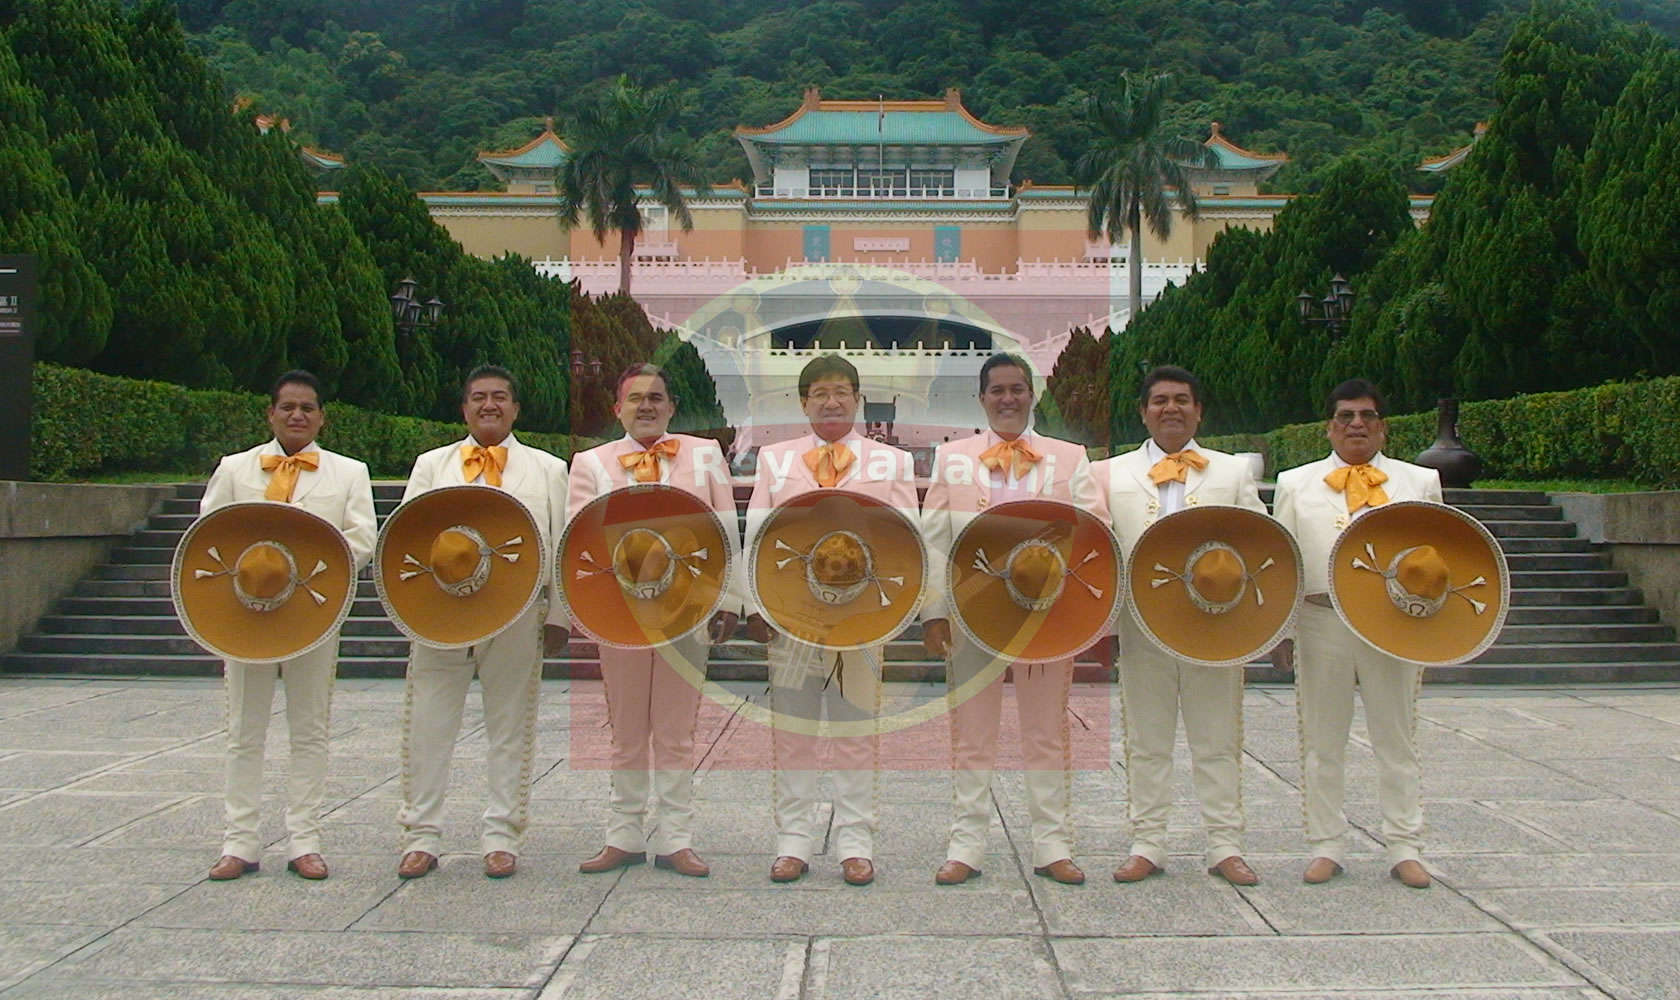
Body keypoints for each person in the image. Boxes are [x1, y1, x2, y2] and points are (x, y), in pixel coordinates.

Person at [921, 353, 1102, 886]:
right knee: (972, 732)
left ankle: (1052, 844)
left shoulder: (1070, 458)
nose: (1007, 398)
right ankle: (966, 844)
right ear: (981, 398)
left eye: (1017, 389)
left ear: (1033, 394)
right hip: (971, 612)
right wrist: (934, 612)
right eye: (997, 390)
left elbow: (1097, 532)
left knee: (1045, 730)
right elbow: (934, 541)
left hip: (1046, 615)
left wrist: (1083, 614)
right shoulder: (952, 459)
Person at [745, 354, 915, 886]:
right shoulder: (775, 460)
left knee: (855, 726)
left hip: (862, 616)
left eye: (842, 391)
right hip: (792, 613)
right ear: (803, 402)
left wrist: (901, 608)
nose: (832, 401)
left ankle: (855, 842)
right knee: (793, 725)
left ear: (858, 399)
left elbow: (907, 539)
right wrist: (755, 605)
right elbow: (756, 534)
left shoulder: (892, 463)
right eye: (820, 392)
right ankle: (792, 841)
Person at [1095, 365, 1267, 886]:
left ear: (1199, 410)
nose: (1171, 409)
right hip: (1142, 625)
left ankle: (1225, 843)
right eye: (1160, 400)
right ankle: (1147, 843)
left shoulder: (1231, 473)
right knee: (1146, 739)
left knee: (1216, 738)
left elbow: (1262, 546)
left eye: (1182, 400)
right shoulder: (1109, 473)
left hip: (1214, 628)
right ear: (1143, 411)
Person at [394, 365, 569, 880]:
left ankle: (502, 835)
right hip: (440, 613)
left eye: (499, 397)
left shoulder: (547, 470)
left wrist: (557, 614)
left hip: (517, 614)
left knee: (510, 723)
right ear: (463, 408)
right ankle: (420, 835)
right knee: (428, 720)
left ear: (516, 408)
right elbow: (406, 539)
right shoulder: (432, 464)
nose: (488, 405)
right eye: (478, 398)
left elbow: (560, 545)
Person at [202, 369, 376, 881]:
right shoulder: (236, 470)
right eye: (287, 407)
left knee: (310, 729)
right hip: (246, 615)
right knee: (243, 731)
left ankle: (305, 839)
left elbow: (362, 538)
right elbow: (207, 534)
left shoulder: (349, 473)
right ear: (270, 413)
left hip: (313, 615)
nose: (297, 415)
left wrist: (308, 565)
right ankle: (240, 842)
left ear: (322, 416)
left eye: (307, 408)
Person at [570, 363, 742, 879]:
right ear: (616, 408)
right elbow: (576, 539)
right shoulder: (590, 462)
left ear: (670, 406)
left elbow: (726, 532)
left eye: (657, 398)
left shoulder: (704, 454)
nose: (646, 406)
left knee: (675, 727)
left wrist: (729, 601)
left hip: (686, 609)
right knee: (625, 727)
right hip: (619, 610)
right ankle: (621, 834)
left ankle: (676, 838)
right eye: (635, 398)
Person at [1273, 378, 1443, 889]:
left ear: (1383, 426)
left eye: (1367, 416)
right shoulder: (1294, 483)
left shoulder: (1420, 481)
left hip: (1394, 622)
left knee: (1397, 737)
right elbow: (1283, 562)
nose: (1356, 425)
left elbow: (1441, 557)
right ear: (1329, 426)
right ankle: (1326, 844)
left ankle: (1404, 846)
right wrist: (1283, 632)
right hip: (1320, 619)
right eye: (1345, 416)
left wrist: (1432, 630)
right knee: (1322, 739)